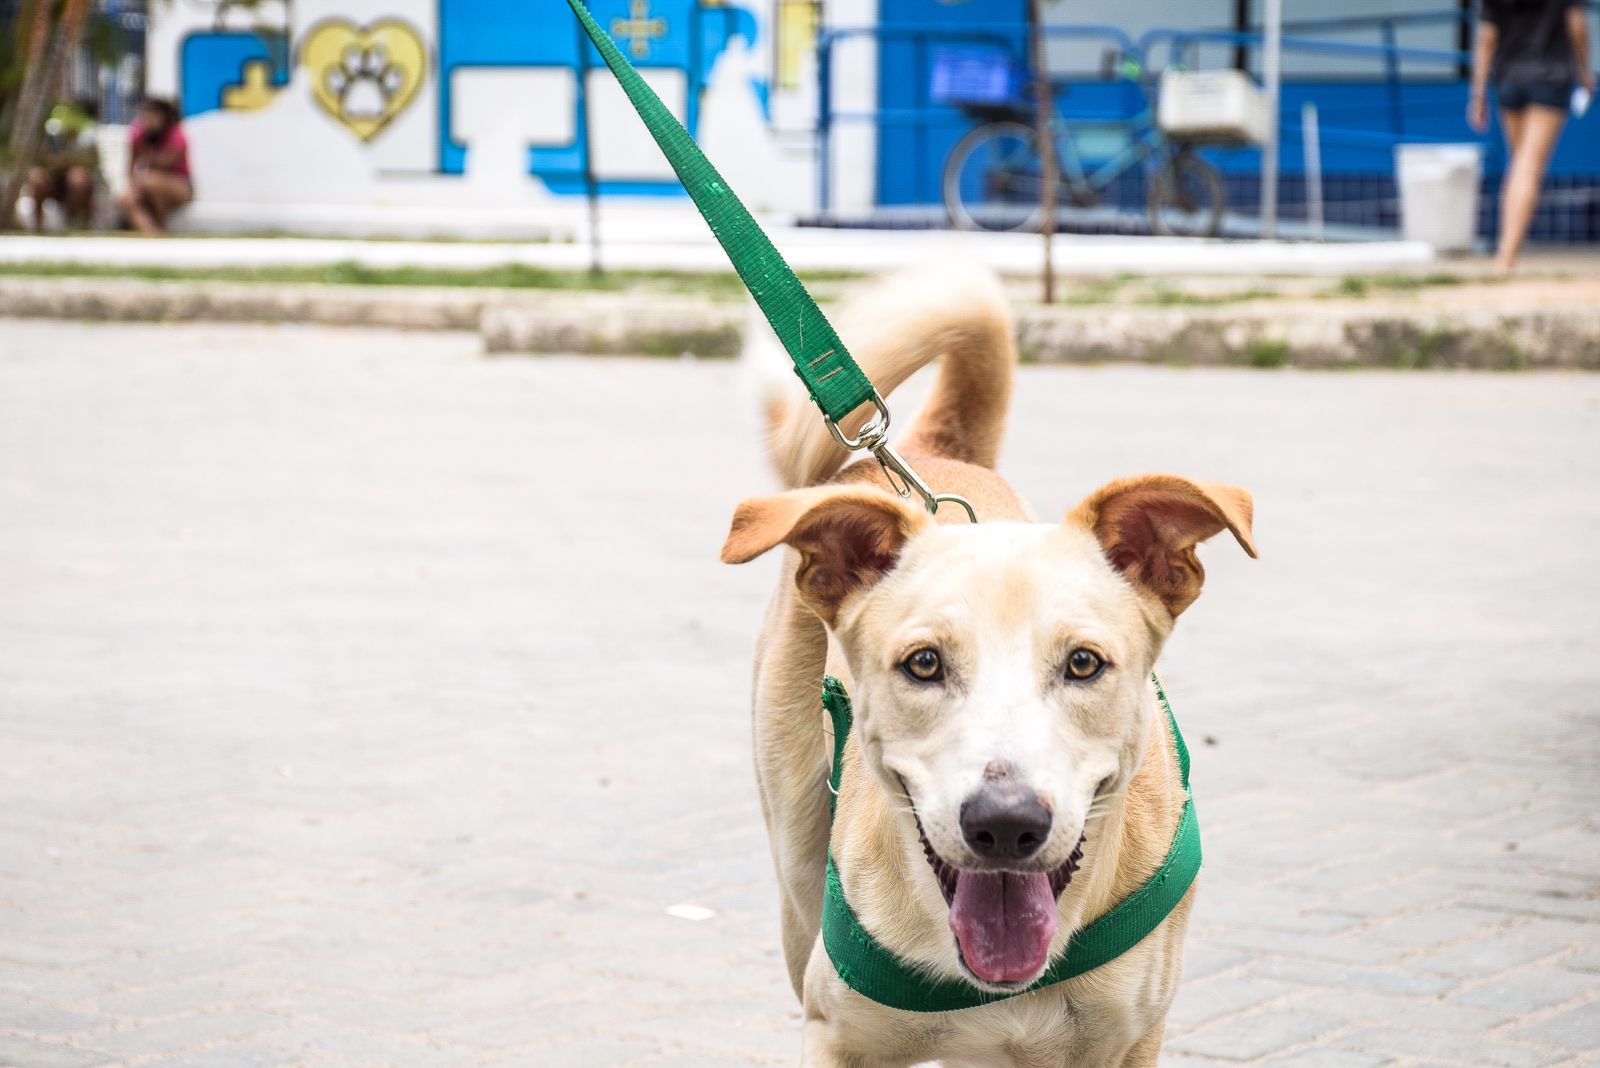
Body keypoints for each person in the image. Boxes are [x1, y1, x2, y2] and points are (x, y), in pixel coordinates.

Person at [1469, 0, 1594, 274]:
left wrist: (1477, 94)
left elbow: (1487, 37)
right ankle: (1506, 258)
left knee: (1517, 166)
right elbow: (1577, 26)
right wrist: (1585, 74)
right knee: (1528, 168)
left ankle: (1507, 248)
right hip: (1551, 77)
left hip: (1508, 77)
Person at [117, 97, 193, 236]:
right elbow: (131, 166)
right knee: (126, 199)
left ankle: (161, 226)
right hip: (146, 184)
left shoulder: (176, 135)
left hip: (180, 185)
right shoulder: (138, 135)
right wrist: (132, 187)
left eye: (152, 116)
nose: (147, 120)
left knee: (151, 183)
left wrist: (145, 148)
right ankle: (151, 232)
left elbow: (166, 163)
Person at [24, 100, 100, 231]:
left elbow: (91, 163)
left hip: (77, 185)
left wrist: (68, 162)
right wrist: (59, 162)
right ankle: (37, 227)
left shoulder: (87, 137)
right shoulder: (51, 135)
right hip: (54, 180)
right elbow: (41, 160)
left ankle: (74, 225)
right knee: (37, 178)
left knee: (78, 178)